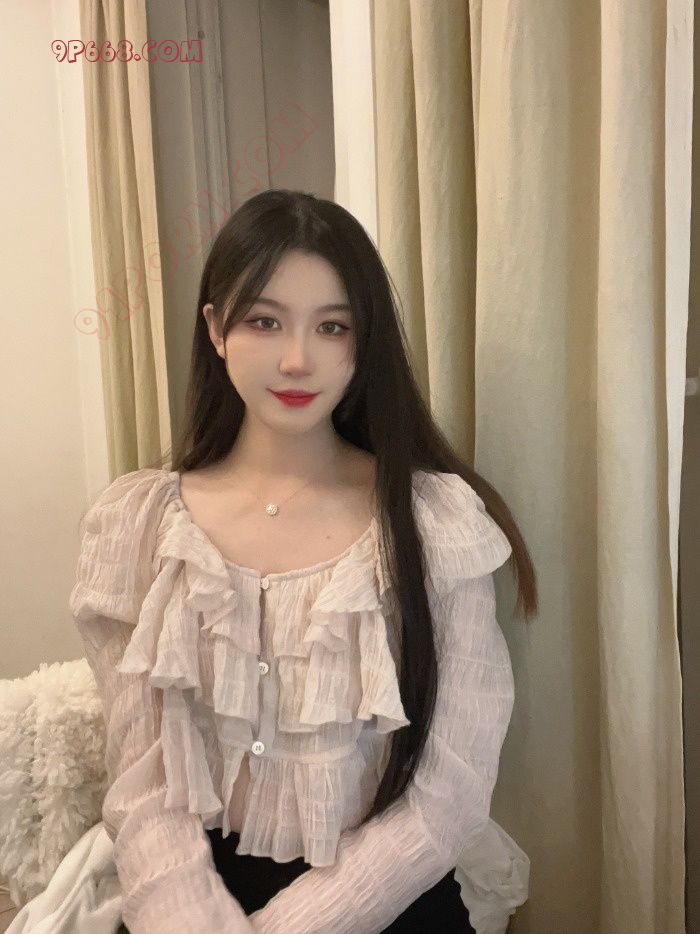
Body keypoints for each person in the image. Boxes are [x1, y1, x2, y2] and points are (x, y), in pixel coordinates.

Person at [70, 188, 538, 933]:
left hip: (388, 903)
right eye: (264, 321)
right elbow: (146, 786)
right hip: (184, 903)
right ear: (216, 329)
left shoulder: (433, 521)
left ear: (364, 341)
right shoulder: (139, 525)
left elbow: (449, 794)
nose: (297, 359)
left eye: (332, 326)